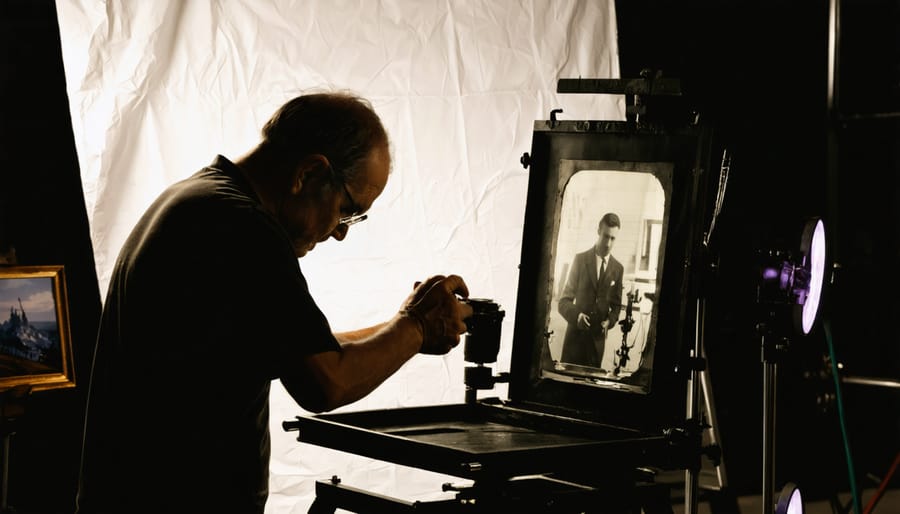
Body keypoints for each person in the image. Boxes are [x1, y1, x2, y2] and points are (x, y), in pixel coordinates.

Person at [76, 92, 473, 514]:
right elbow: (325, 383)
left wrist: (401, 323)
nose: (339, 233)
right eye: (346, 211)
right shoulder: (243, 228)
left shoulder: (198, 199)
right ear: (309, 172)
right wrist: (416, 328)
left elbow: (299, 351)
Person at [557, 212, 624, 369]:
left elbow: (616, 307)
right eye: (606, 236)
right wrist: (577, 316)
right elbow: (563, 301)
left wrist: (609, 322)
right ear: (598, 231)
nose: (608, 243)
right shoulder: (580, 260)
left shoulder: (618, 269)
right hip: (574, 343)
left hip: (596, 347)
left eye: (613, 238)